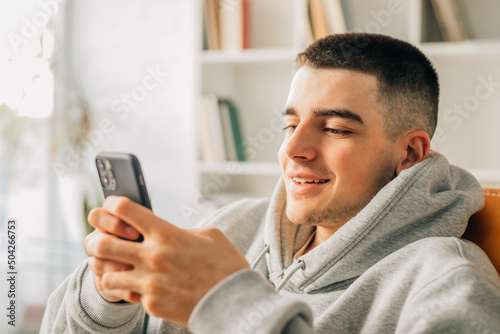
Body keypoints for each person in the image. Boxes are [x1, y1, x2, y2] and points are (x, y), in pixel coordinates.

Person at [40, 33, 500, 333]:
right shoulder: (230, 226)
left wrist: (229, 306)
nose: (294, 149)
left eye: (336, 128)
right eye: (290, 124)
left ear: (410, 154)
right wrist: (108, 298)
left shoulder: (444, 279)